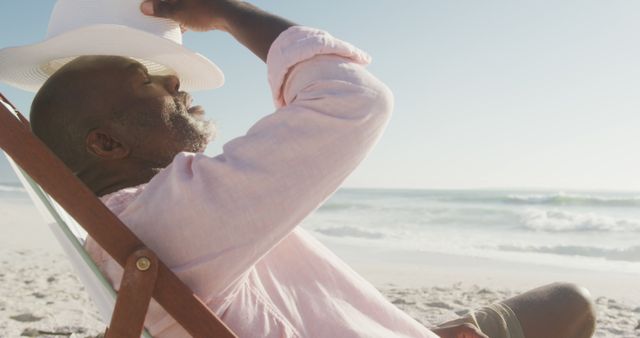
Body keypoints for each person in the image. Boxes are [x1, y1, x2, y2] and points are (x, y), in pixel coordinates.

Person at [27, 1, 596, 337]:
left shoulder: (140, 223)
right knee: (573, 305)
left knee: (565, 301)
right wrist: (228, 11)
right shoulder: (173, 216)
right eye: (146, 82)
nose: (175, 83)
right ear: (105, 143)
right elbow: (353, 100)